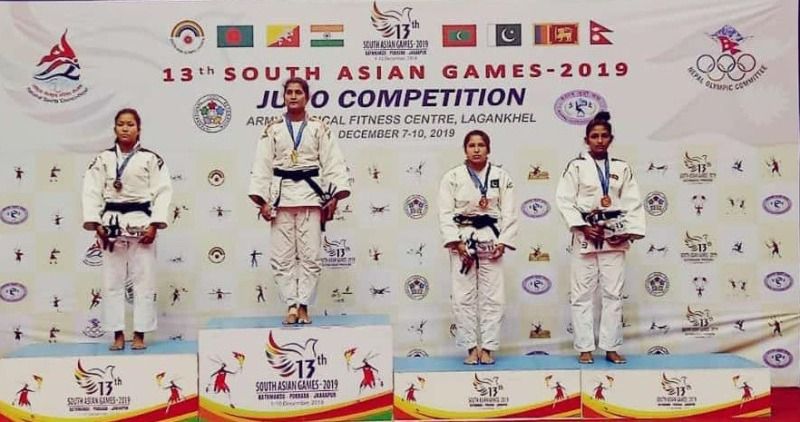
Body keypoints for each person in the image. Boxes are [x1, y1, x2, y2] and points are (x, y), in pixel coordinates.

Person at [248, 77, 351, 325]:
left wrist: (335, 196)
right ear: (284, 97)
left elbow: (333, 162)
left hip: (310, 195)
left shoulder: (319, 128)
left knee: (310, 256)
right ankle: (291, 305)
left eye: (298, 92)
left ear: (307, 97)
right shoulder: (272, 129)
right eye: (289, 93)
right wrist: (261, 200)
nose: (293, 96)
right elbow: (261, 165)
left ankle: (304, 304)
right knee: (281, 258)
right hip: (281, 198)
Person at [555, 111, 645, 365]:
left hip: (613, 236)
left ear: (611, 139)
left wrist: (629, 231)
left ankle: (610, 346)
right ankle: (585, 347)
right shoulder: (576, 167)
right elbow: (564, 200)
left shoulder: (621, 168)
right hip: (586, 233)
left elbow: (632, 202)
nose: (599, 140)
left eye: (604, 136)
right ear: (586, 140)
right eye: (594, 136)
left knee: (613, 294)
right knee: (582, 294)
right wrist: (582, 227)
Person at [82, 108, 172, 351]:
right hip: (111, 223)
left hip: (141, 222)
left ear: (138, 129)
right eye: (121, 124)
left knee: (144, 281)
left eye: (130, 124)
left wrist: (155, 225)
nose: (125, 128)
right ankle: (118, 334)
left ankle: (140, 333)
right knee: (112, 282)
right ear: (114, 129)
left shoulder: (150, 159)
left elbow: (163, 192)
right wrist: (95, 223)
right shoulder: (103, 159)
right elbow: (91, 190)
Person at [439, 130, 518, 365]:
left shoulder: (502, 176)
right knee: (463, 296)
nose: (476, 149)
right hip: (463, 237)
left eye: (481, 145)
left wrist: (504, 241)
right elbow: (444, 213)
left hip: (491, 237)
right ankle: (471, 347)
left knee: (493, 297)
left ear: (488, 148)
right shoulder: (452, 177)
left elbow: (510, 212)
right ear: (465, 149)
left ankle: (489, 348)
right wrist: (457, 242)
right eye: (471, 145)